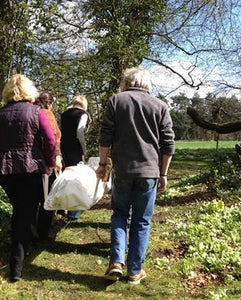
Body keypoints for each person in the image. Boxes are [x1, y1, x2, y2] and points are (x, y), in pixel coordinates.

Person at [96, 66, 175, 285]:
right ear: (147, 84)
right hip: (149, 173)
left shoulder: (116, 101)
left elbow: (105, 137)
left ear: (126, 82)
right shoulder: (160, 106)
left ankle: (115, 262)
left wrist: (103, 163)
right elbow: (168, 144)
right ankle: (134, 271)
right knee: (141, 221)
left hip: (123, 171)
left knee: (120, 214)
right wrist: (163, 174)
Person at [0, 74, 56, 282]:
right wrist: (50, 162)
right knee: (23, 215)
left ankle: (23, 248)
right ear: (28, 90)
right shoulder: (37, 112)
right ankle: (16, 265)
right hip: (30, 169)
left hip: (6, 171)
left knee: (21, 211)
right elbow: (50, 139)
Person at [34, 91, 63, 239]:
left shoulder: (31, 112)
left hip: (31, 162)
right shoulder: (47, 114)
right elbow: (53, 139)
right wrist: (56, 158)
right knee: (47, 197)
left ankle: (31, 230)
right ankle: (43, 232)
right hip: (46, 162)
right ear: (49, 103)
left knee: (33, 199)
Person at [60, 94, 90, 220]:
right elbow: (80, 132)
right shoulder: (83, 114)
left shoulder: (64, 114)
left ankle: (61, 209)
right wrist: (84, 149)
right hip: (75, 149)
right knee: (76, 180)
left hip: (63, 148)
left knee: (63, 178)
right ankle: (74, 212)